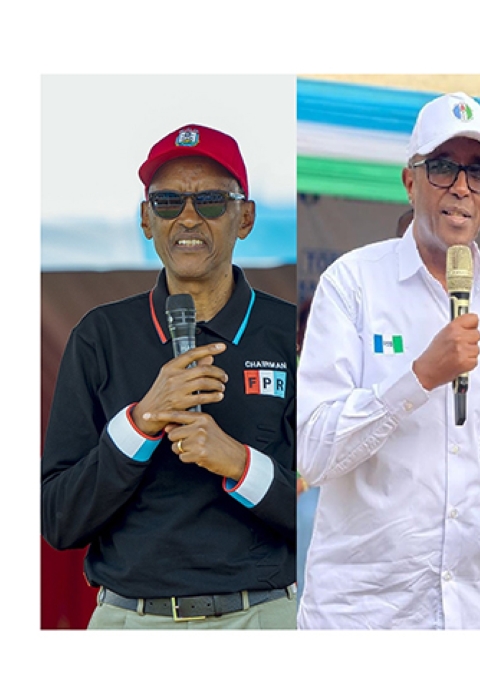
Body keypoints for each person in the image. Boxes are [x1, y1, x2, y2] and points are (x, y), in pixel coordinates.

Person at [41, 125, 297, 629]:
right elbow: (59, 520)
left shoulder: (289, 333)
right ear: (145, 219)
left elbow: (329, 513)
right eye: (167, 201)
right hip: (130, 621)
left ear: (243, 217)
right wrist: (141, 422)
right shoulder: (100, 335)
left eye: (210, 201)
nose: (187, 217)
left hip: (261, 617)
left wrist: (239, 463)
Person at [297, 92, 480, 629]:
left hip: (479, 608)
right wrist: (420, 377)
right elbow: (309, 451)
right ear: (410, 181)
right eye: (443, 167)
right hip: (368, 613)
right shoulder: (352, 285)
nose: (462, 187)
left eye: (479, 171)